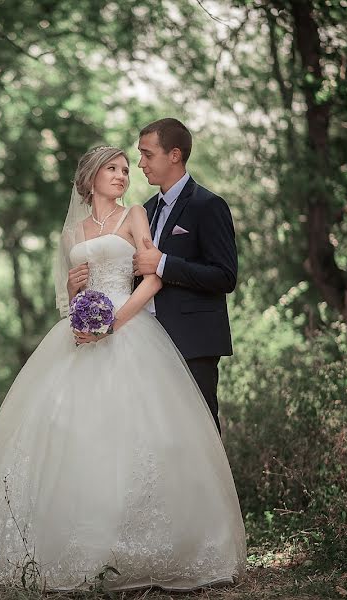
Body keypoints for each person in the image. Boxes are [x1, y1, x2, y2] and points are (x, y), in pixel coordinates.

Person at [0, 145, 246, 592]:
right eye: (113, 169)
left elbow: (153, 278)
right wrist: (74, 294)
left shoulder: (135, 215)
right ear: (91, 177)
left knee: (143, 435)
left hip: (129, 327)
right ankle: (74, 544)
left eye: (126, 168)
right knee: (71, 432)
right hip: (81, 333)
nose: (123, 175)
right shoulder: (73, 233)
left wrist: (113, 325)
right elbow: (71, 296)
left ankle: (148, 546)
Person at [130, 118, 238, 433]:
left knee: (199, 434)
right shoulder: (146, 211)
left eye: (147, 155)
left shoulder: (209, 206)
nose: (141, 164)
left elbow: (225, 276)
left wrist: (163, 263)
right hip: (147, 344)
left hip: (194, 345)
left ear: (174, 155)